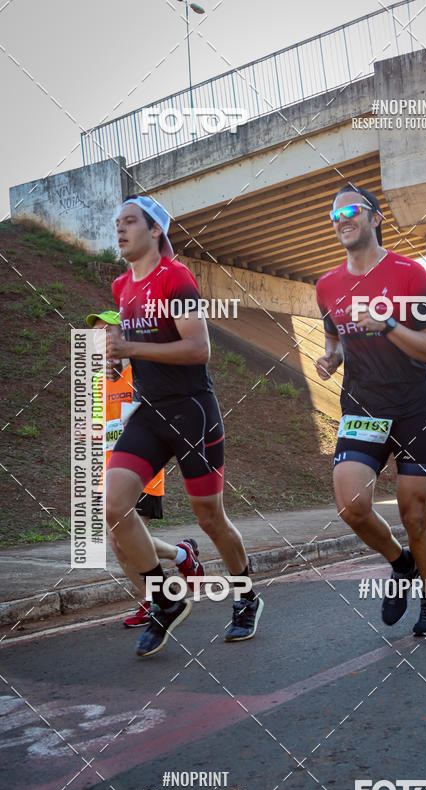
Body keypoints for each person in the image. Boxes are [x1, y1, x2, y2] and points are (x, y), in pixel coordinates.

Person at [104, 195, 262, 657]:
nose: (120, 229)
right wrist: (118, 358)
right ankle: (165, 599)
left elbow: (198, 349)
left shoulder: (175, 277)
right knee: (114, 506)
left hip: (193, 413)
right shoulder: (121, 287)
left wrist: (131, 349)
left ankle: (246, 596)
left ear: (155, 230)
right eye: (117, 223)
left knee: (210, 519)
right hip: (150, 414)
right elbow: (139, 347)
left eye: (130, 221)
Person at [315, 184, 426, 636]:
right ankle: (401, 562)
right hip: (363, 406)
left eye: (352, 211)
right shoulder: (327, 285)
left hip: (413, 406)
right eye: (335, 215)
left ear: (375, 218)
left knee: (415, 515)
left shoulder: (410, 274)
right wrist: (331, 358)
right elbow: (335, 337)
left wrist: (389, 323)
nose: (342, 219)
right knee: (351, 506)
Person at [88, 310, 202, 628]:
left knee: (121, 541)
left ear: (123, 335)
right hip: (109, 473)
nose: (99, 338)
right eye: (96, 333)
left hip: (141, 470)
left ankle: (157, 601)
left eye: (106, 331)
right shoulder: (98, 381)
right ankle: (178, 561)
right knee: (119, 543)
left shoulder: (143, 374)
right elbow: (99, 424)